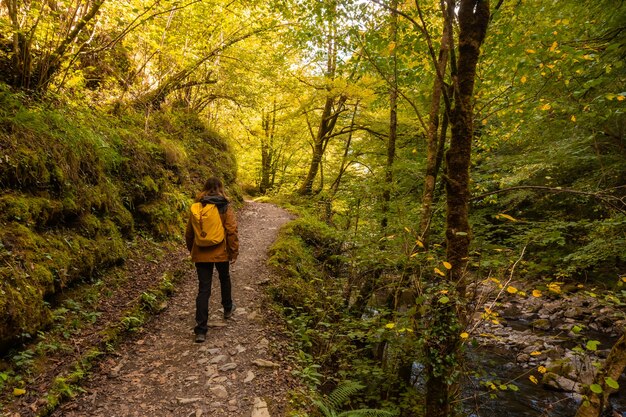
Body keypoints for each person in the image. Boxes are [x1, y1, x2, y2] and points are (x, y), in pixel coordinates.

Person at [185, 177, 239, 343]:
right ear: (220, 188)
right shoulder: (224, 205)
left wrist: (193, 249)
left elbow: (189, 232)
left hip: (201, 252)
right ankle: (228, 308)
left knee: (204, 289)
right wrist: (233, 251)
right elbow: (231, 230)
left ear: (205, 188)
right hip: (221, 251)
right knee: (224, 278)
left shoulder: (198, 206)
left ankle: (201, 330)